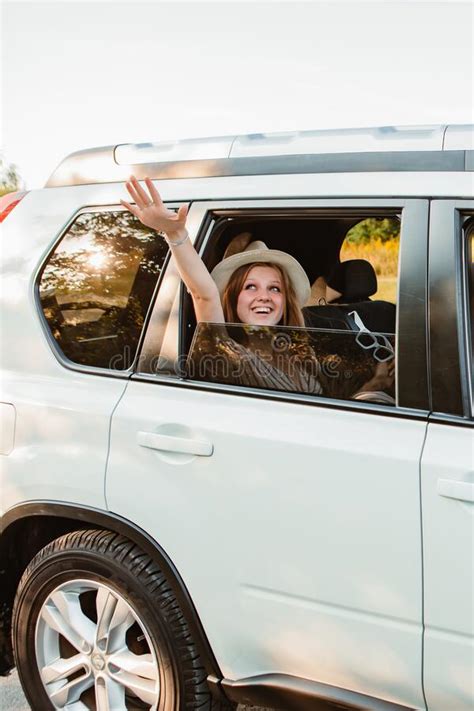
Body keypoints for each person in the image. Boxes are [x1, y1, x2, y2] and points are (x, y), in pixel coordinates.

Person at [122, 176, 394, 399]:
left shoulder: (299, 350)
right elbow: (203, 294)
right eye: (250, 287)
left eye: (275, 289)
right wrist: (175, 234)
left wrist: (378, 382)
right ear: (233, 297)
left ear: (286, 301)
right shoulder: (224, 351)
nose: (264, 296)